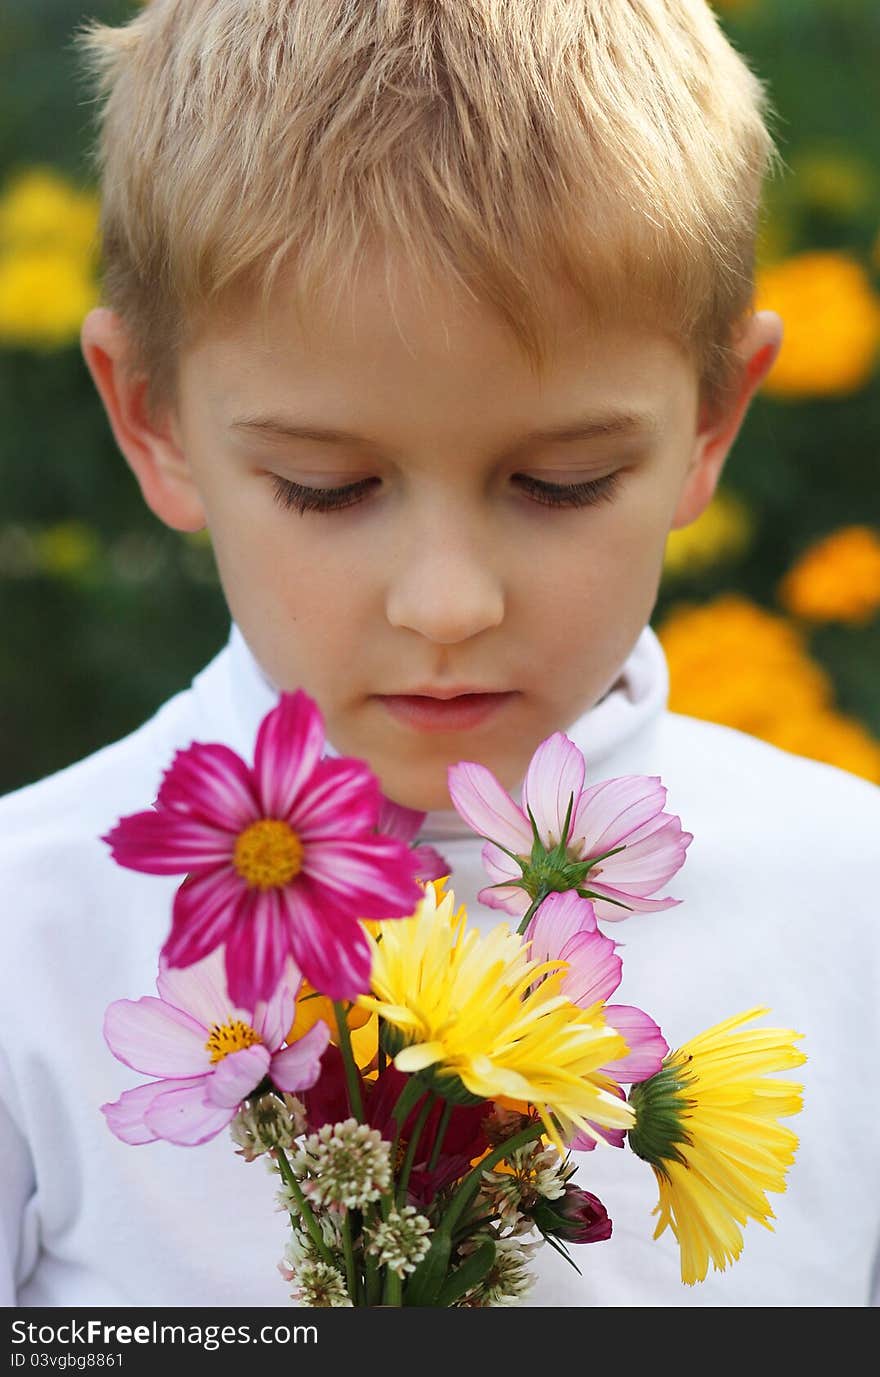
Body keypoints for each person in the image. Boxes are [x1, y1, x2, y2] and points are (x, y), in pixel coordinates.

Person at [1, 0, 877, 1309]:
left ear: (712, 419)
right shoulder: (35, 940)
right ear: (154, 420)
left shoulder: (851, 905)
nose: (450, 602)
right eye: (326, 485)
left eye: (562, 481)